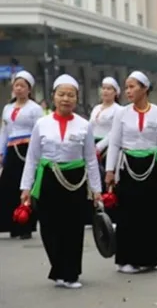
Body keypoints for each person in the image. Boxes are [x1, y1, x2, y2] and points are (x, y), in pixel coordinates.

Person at [19, 74, 102, 288]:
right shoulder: (41, 124)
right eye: (61, 94)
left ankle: (71, 272)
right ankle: (58, 268)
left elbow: (91, 159)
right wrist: (26, 187)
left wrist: (96, 189)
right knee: (49, 226)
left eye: (71, 95)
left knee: (73, 227)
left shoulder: (84, 125)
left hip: (75, 180)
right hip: (48, 178)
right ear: (54, 97)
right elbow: (32, 158)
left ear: (77, 98)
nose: (66, 99)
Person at [105, 71, 157, 274]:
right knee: (128, 213)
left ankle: (149, 258)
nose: (128, 91)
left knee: (150, 213)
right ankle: (126, 259)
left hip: (151, 166)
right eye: (126, 87)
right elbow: (115, 143)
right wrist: (110, 170)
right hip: (128, 166)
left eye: (132, 86)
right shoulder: (121, 113)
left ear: (144, 88)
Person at [0, 71, 42, 239]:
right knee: (8, 186)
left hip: (27, 150)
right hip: (12, 150)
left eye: (22, 86)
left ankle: (26, 226)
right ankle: (10, 223)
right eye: (16, 85)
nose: (18, 89)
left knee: (25, 186)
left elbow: (39, 132)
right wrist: (1, 151)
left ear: (29, 89)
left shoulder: (35, 109)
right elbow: (4, 131)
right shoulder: (8, 108)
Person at [89, 77, 122, 221]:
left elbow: (114, 132)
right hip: (92, 144)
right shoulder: (96, 108)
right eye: (104, 88)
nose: (106, 91)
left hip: (109, 146)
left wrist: (100, 146)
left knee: (108, 178)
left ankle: (111, 212)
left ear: (116, 93)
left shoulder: (118, 110)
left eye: (109, 88)